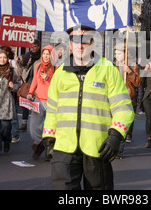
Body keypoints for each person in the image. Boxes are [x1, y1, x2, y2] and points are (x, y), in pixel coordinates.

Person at [42, 25, 134, 190]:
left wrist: (116, 135)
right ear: (70, 44)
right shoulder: (60, 72)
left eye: (84, 41)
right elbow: (52, 108)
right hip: (64, 147)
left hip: (97, 147)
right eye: (75, 41)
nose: (79, 45)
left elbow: (123, 107)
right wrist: (49, 136)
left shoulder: (107, 69)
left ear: (92, 43)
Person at [26, 45, 56, 160]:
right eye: (44, 54)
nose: (46, 56)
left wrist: (48, 78)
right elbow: (34, 80)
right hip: (38, 100)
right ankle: (39, 144)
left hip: (51, 101)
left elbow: (58, 84)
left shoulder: (56, 67)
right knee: (34, 127)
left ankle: (50, 150)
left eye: (48, 54)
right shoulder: (38, 66)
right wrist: (30, 92)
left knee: (50, 128)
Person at [114, 42, 141, 155]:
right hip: (115, 97)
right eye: (116, 54)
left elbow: (138, 82)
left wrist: (129, 72)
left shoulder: (133, 65)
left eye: (119, 53)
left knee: (124, 123)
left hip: (128, 97)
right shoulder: (114, 65)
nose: (117, 56)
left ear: (125, 54)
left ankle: (120, 149)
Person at [19, 39, 41, 131]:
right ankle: (24, 122)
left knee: (35, 104)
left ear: (38, 47)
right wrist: (17, 62)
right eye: (32, 46)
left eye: (35, 46)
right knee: (25, 102)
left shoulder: (40, 57)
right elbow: (24, 68)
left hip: (37, 82)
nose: (33, 48)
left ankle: (36, 124)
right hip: (28, 81)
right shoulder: (29, 56)